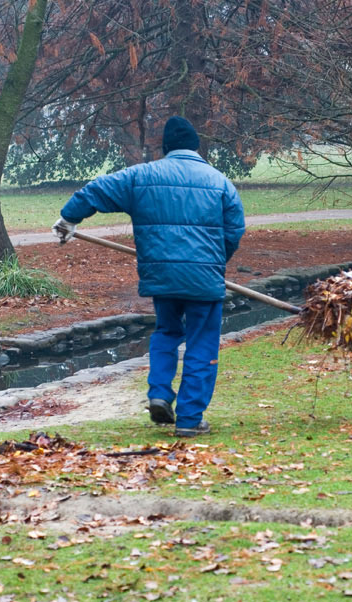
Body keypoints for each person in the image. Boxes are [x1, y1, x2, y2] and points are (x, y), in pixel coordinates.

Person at [52, 116, 245, 437]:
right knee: (202, 344)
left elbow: (95, 190)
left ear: (166, 146)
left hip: (162, 277)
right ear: (196, 147)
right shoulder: (220, 182)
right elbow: (234, 232)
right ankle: (189, 420)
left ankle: (159, 393)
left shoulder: (141, 176)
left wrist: (68, 219)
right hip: (204, 278)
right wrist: (215, 261)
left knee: (167, 332)